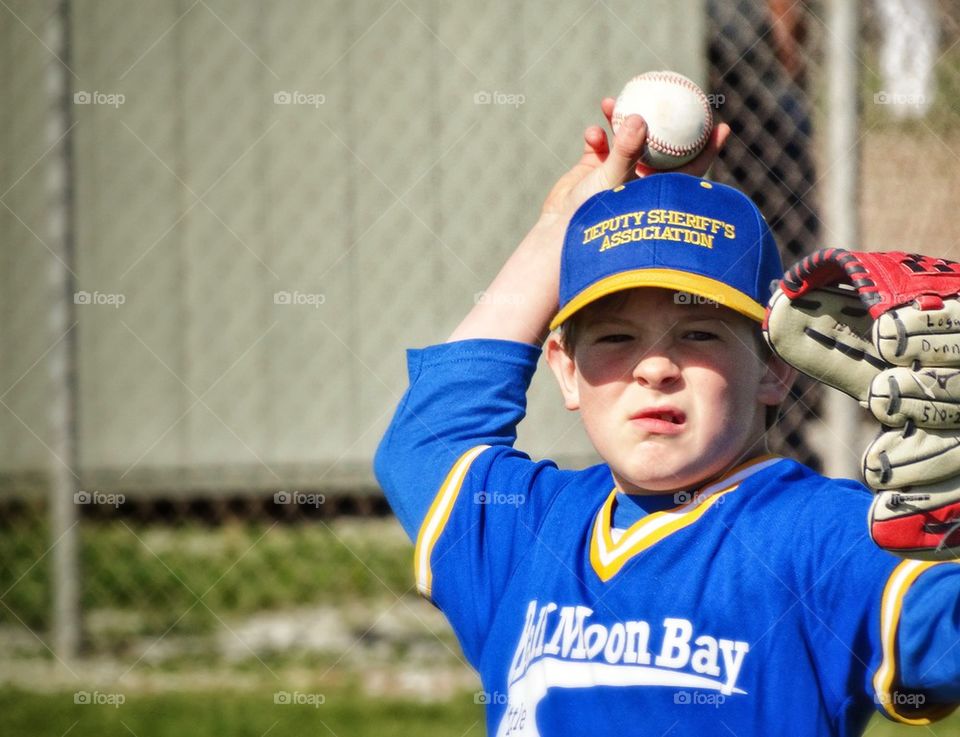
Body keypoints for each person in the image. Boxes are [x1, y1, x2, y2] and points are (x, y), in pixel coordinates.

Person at [374, 103, 960, 736]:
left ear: (774, 367)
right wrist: (560, 227)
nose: (655, 369)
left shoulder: (821, 538)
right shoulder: (526, 530)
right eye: (616, 338)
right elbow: (424, 438)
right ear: (566, 371)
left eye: (700, 334)